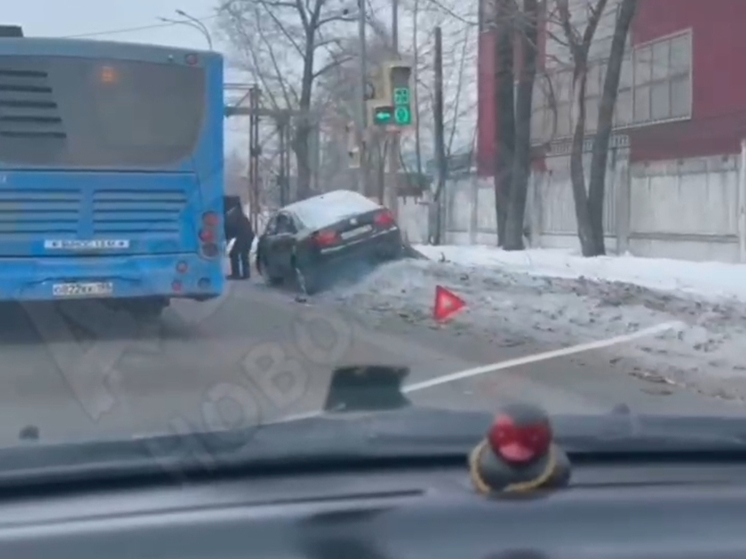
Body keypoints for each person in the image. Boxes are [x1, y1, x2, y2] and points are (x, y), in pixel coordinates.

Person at [224, 200, 254, 280]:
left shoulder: (233, 215)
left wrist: (227, 238)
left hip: (243, 236)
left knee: (234, 253)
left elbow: (231, 230)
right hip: (249, 235)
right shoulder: (238, 214)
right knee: (244, 255)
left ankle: (236, 274)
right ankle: (246, 274)